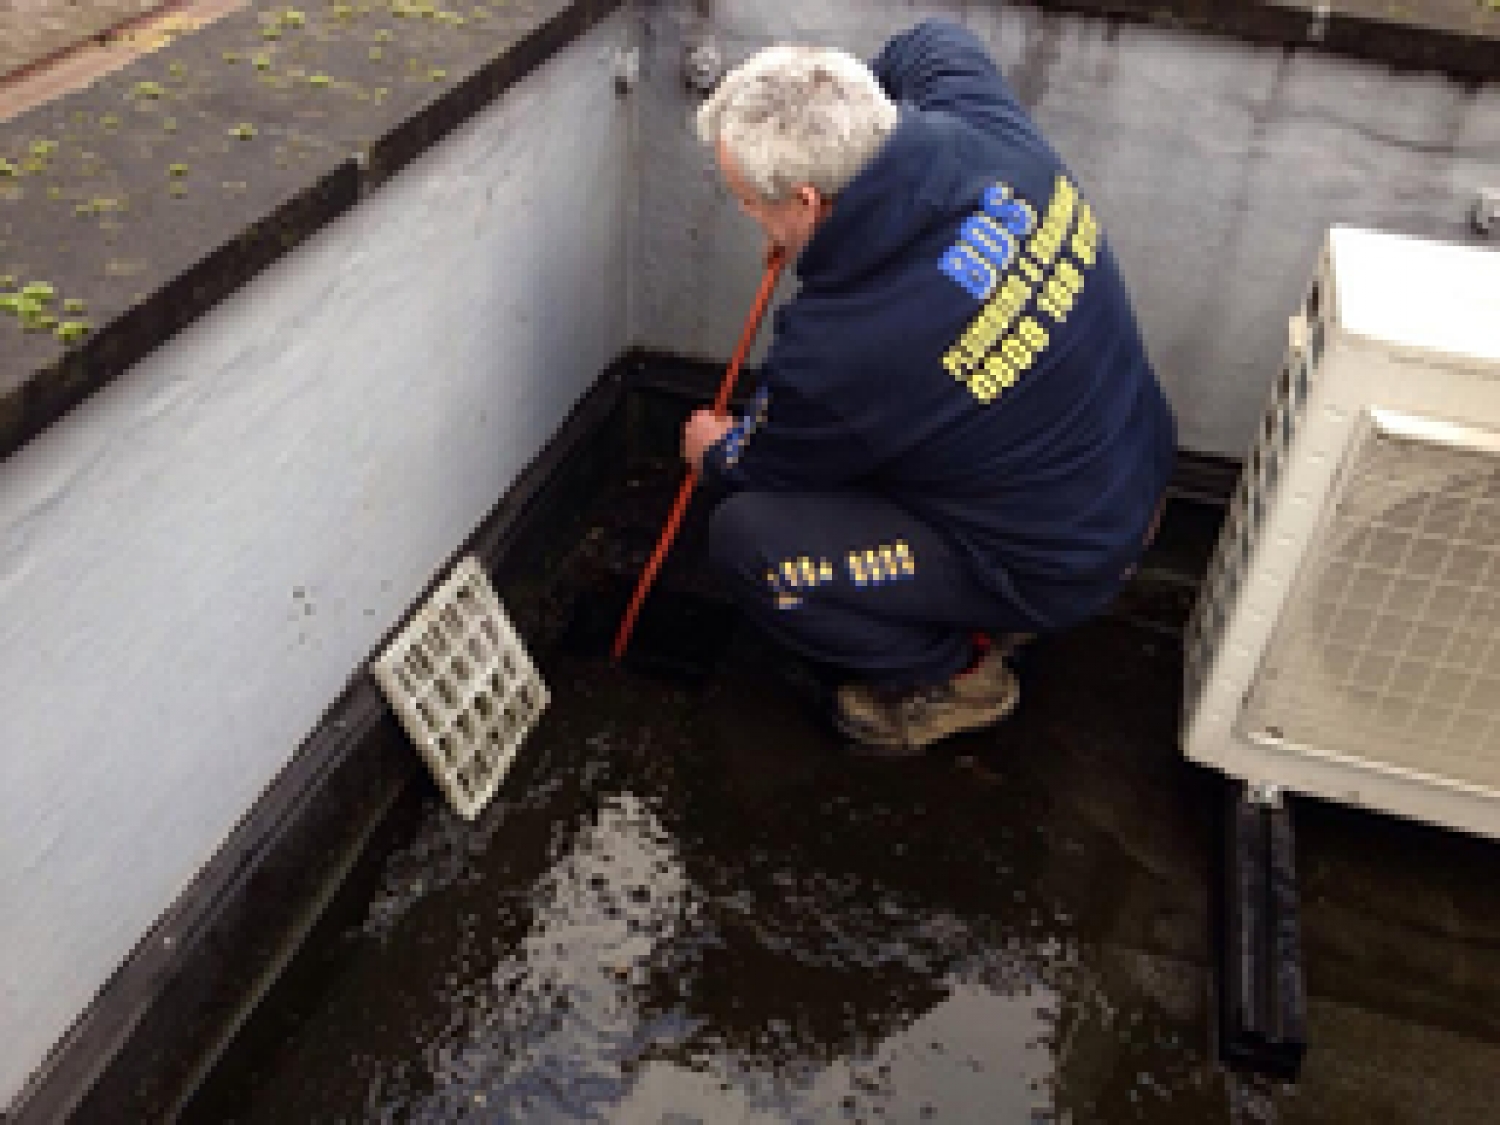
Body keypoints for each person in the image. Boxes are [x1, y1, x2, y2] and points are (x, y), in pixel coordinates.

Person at [684, 19, 1176, 756]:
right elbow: (930, 39)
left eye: (751, 202)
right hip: (1129, 477)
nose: (750, 217)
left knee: (749, 541)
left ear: (810, 203)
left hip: (1055, 561)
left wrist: (713, 452)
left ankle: (959, 676)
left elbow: (756, 467)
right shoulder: (981, 124)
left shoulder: (838, 349)